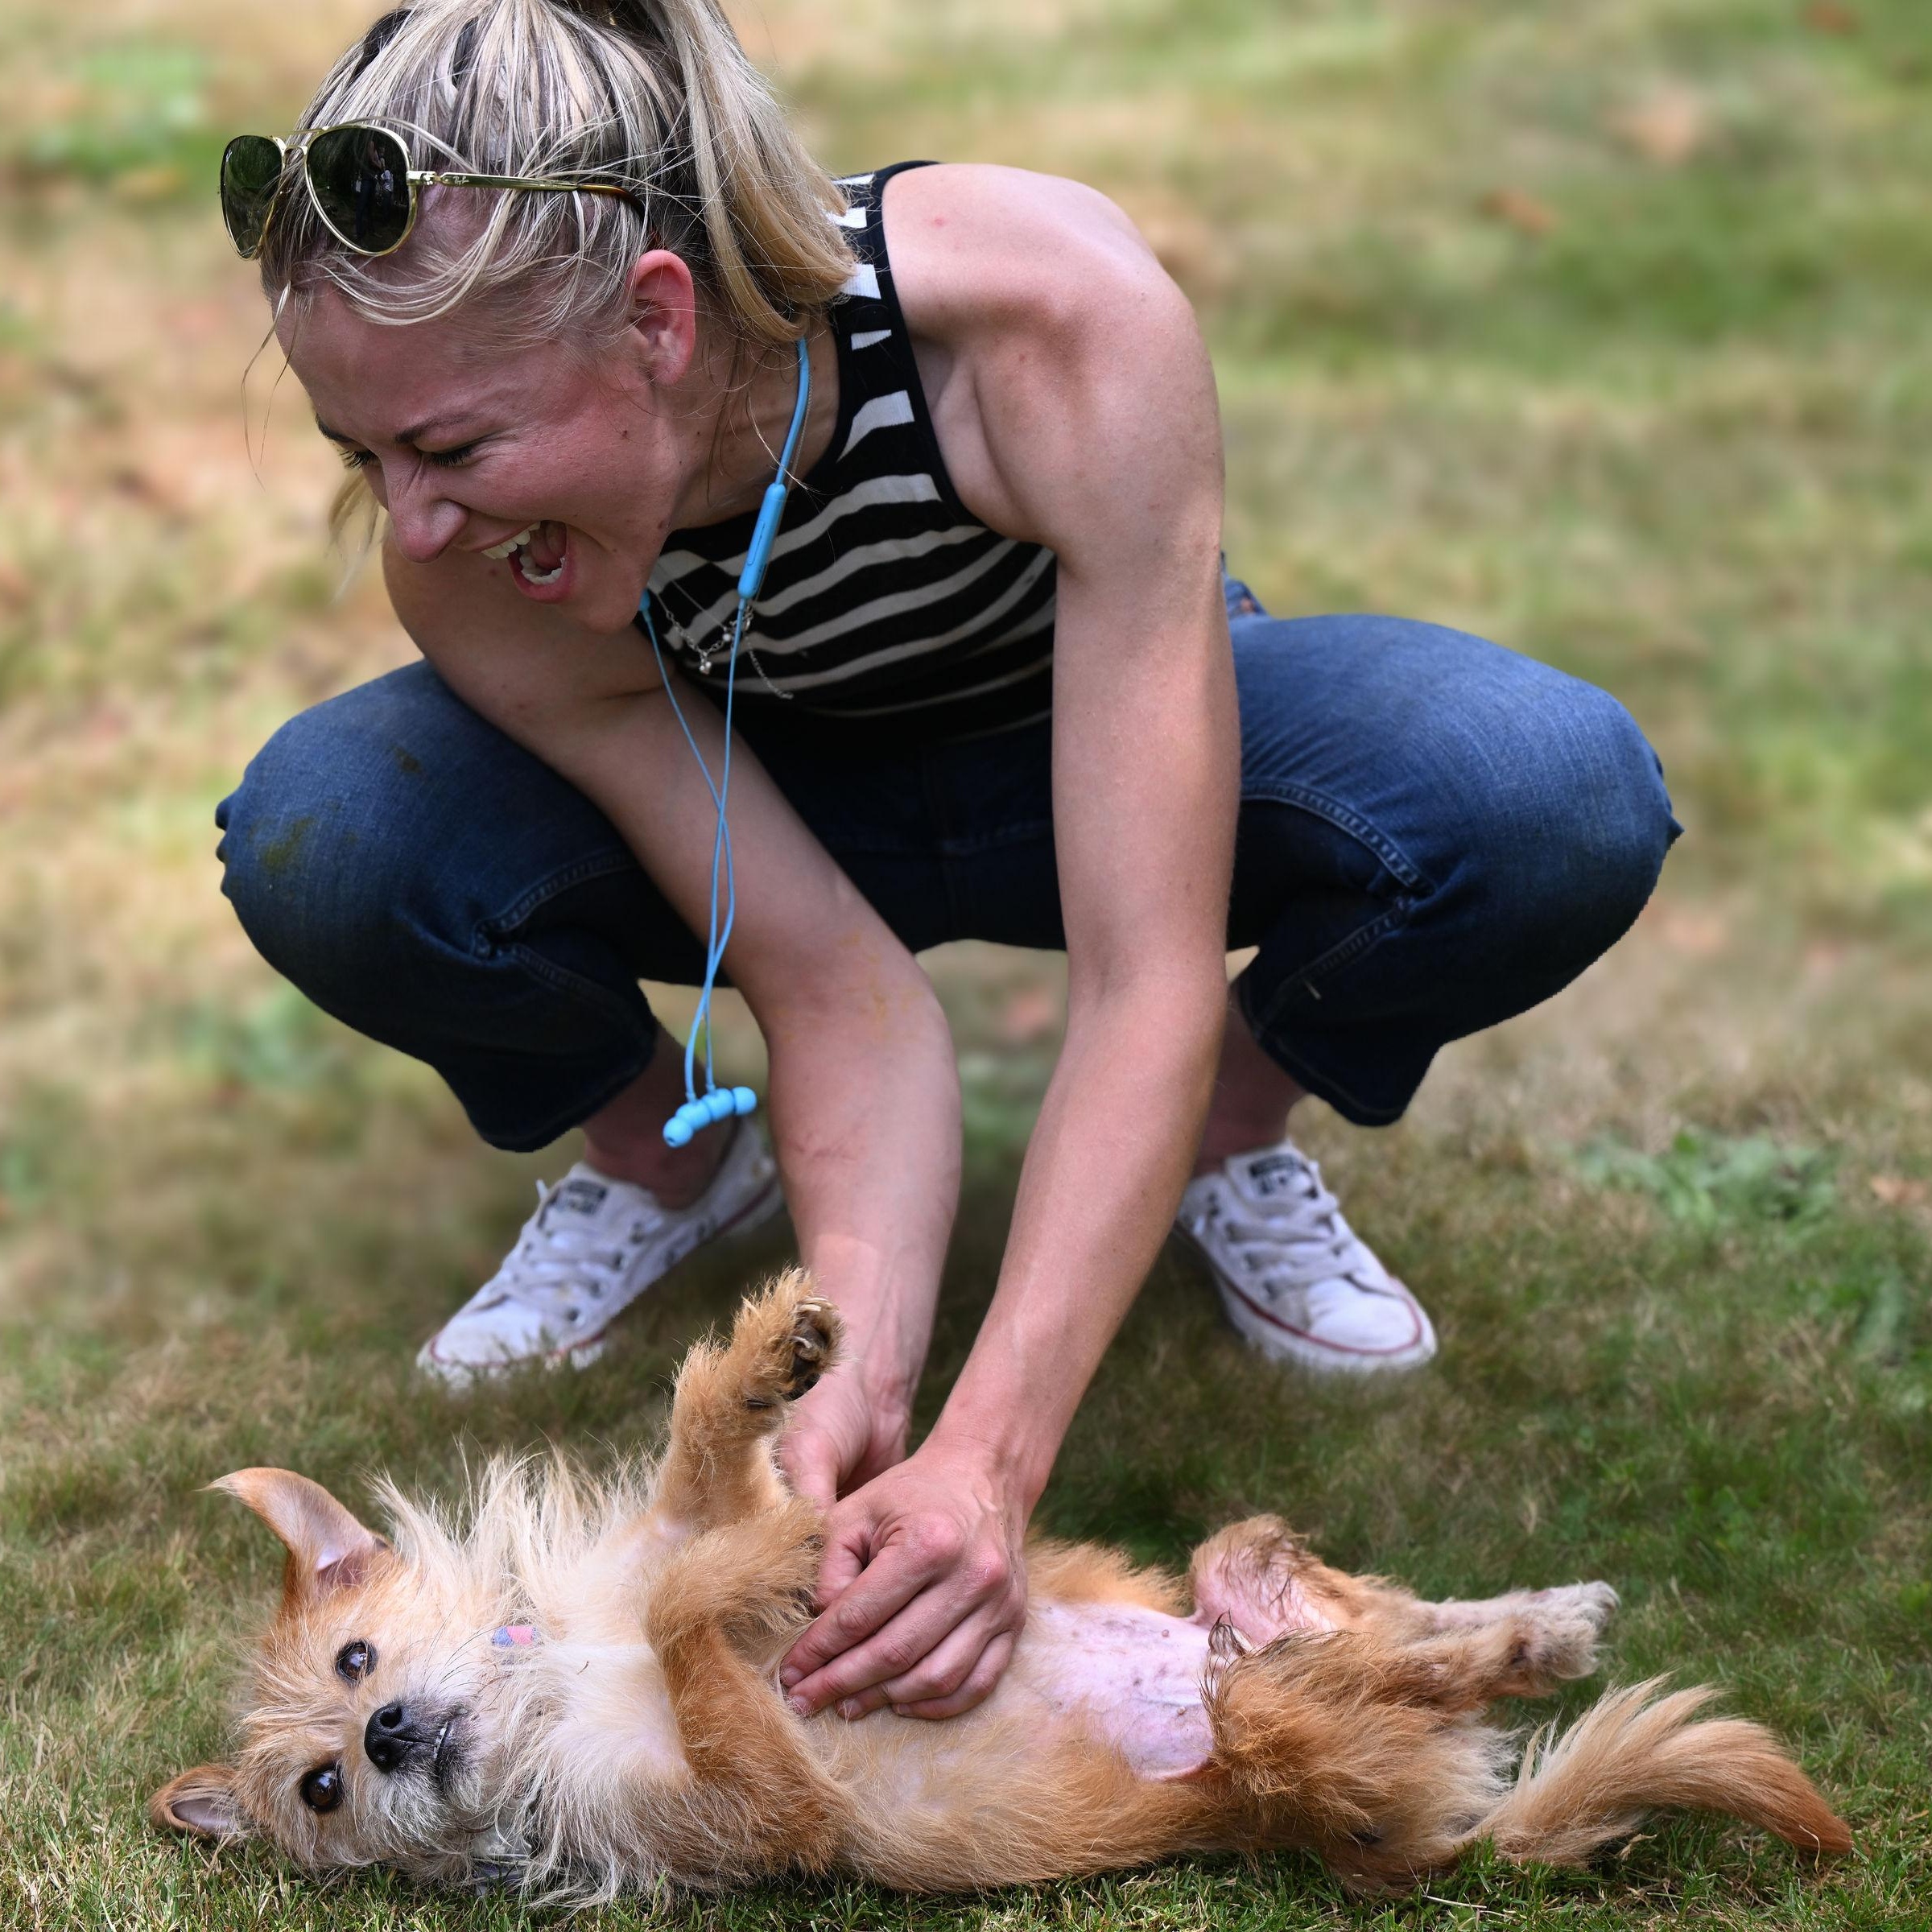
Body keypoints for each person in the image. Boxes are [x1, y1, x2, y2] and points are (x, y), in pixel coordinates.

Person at [213, 0, 1678, 1725]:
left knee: (1549, 791)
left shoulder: (1049, 324)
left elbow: (1144, 974)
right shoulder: (458, 553)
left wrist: (985, 1463)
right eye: (359, 455)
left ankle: (1225, 1136)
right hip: (780, 787)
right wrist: (849, 1380)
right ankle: (672, 1162)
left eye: (453, 448)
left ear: (660, 324)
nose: (411, 528)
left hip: (1089, 743)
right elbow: (837, 986)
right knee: (334, 827)